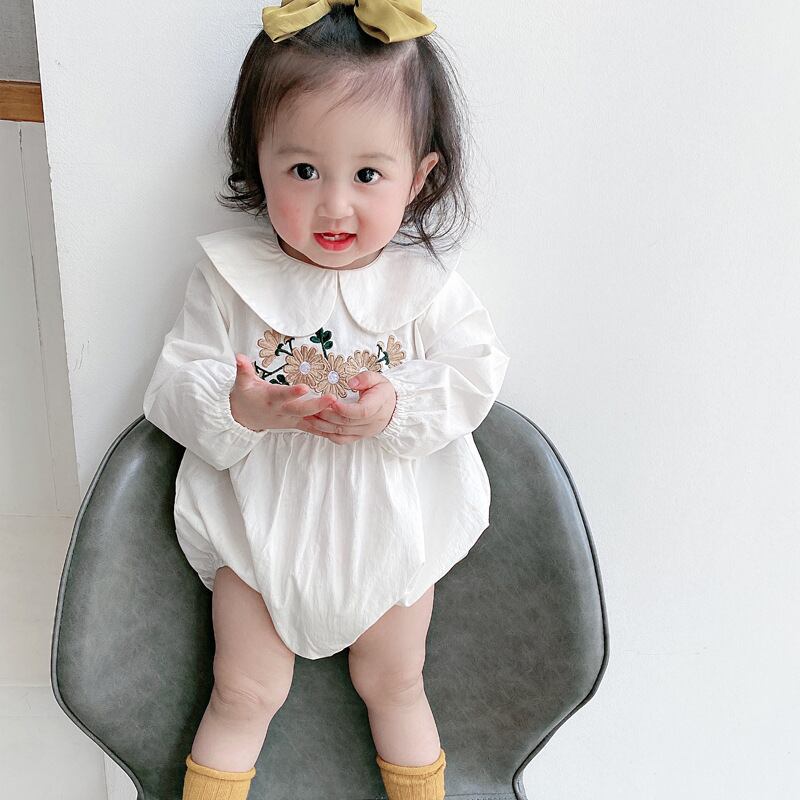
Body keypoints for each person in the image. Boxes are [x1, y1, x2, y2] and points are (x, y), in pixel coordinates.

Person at [142, 1, 511, 798]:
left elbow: (474, 372)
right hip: (259, 526)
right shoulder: (228, 281)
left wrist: (394, 407)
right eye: (304, 171)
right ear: (259, 161)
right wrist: (240, 407)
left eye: (367, 175)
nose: (335, 206)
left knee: (397, 684)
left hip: (392, 529)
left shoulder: (426, 290)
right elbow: (171, 386)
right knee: (242, 691)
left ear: (419, 177)